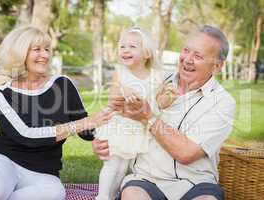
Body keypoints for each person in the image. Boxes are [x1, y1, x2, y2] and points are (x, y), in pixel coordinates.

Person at [0, 26, 113, 200]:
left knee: (55, 193)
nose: (45, 55)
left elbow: (84, 126)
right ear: (20, 54)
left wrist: (97, 137)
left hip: (43, 169)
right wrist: (83, 124)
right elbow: (26, 135)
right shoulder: (2, 94)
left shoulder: (63, 84)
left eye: (47, 49)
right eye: (37, 50)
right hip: (4, 160)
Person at [92, 25, 236, 200]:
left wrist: (148, 118)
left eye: (198, 56)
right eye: (186, 51)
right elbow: (119, 111)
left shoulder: (223, 102)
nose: (187, 59)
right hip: (146, 179)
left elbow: (186, 153)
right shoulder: (156, 79)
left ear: (217, 66)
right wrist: (107, 142)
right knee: (132, 195)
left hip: (197, 183)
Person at [94, 27, 176, 200]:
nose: (125, 50)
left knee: (123, 167)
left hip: (138, 128)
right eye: (122, 46)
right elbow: (113, 99)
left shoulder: (156, 75)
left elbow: (160, 99)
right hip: (120, 126)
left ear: (146, 53)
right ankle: (102, 196)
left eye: (132, 46)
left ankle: (112, 195)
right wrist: (124, 89)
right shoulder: (121, 73)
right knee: (112, 164)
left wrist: (167, 96)